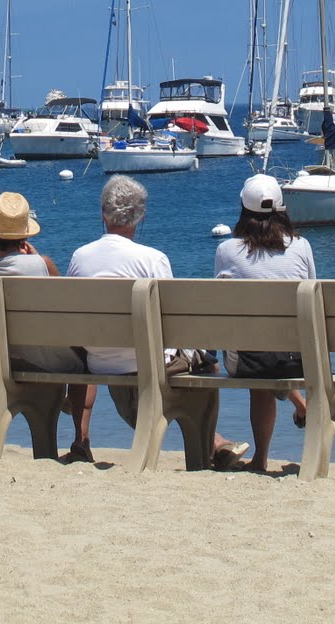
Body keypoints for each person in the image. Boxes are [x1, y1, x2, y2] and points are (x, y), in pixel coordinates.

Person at [67, 174, 248, 469]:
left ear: (103, 213)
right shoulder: (152, 259)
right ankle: (206, 451)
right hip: (147, 361)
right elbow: (171, 324)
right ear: (139, 216)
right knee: (208, 365)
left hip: (99, 361)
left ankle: (214, 443)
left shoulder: (80, 257)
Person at [0, 190, 93, 460]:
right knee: (90, 356)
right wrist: (38, 257)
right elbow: (67, 306)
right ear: (24, 236)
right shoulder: (41, 265)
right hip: (43, 360)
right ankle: (80, 439)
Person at [214, 173, 316, 473]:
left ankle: (260, 459)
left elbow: (221, 308)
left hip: (246, 361)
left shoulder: (226, 250)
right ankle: (303, 422)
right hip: (300, 360)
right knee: (275, 349)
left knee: (257, 353)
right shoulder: (302, 247)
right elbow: (313, 298)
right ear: (282, 210)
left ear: (243, 210)